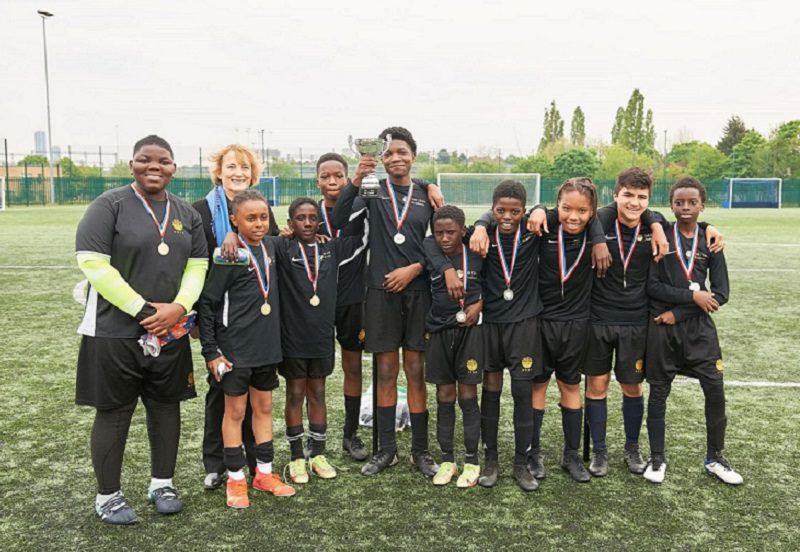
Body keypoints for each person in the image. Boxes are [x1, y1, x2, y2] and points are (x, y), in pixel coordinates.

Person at [75, 135, 208, 524]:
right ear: (131, 164)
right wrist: (144, 309)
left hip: (170, 332)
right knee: (115, 412)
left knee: (166, 408)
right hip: (113, 331)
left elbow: (198, 265)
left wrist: (179, 308)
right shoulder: (109, 205)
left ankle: (162, 484)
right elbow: (93, 263)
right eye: (145, 159)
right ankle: (108, 496)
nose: (154, 166)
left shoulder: (187, 213)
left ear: (173, 168)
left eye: (163, 161)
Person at [581, 168, 725, 477]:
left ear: (649, 200)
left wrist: (702, 226)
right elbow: (585, 215)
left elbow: (680, 221)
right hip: (599, 319)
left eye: (641, 197)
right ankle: (600, 452)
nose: (634, 202)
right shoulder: (601, 221)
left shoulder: (653, 225)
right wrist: (598, 240)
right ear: (615, 195)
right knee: (597, 386)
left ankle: (632, 449)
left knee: (632, 387)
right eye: (627, 195)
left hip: (637, 320)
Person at [331, 126, 444, 477]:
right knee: (385, 371)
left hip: (418, 291)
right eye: (389, 153)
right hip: (380, 293)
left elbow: (440, 244)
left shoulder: (426, 194)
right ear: (380, 157)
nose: (396, 158)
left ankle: (421, 451)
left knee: (415, 370)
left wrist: (415, 268)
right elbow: (338, 221)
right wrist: (354, 180)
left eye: (402, 152)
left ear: (413, 156)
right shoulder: (371, 190)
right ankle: (386, 450)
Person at [197, 189, 296, 508]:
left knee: (264, 409)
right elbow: (208, 305)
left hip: (267, 348)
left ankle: (263, 473)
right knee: (235, 413)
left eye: (263, 217)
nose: (258, 224)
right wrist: (211, 351)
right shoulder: (228, 255)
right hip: (234, 351)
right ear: (234, 220)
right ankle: (235, 478)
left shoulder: (272, 246)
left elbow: (297, 236)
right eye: (250, 218)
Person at [643, 177, 742, 485]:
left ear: (703, 205)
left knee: (715, 390)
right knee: (658, 393)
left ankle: (715, 457)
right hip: (663, 332)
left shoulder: (711, 242)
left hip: (698, 331)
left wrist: (680, 311)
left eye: (692, 202)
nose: (685, 208)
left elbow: (721, 294)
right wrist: (692, 296)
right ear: (671, 205)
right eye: (679, 202)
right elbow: (652, 286)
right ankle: (657, 458)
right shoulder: (661, 235)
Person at [193, 144, 279, 490]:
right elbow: (196, 260)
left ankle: (257, 465)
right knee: (223, 397)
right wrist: (203, 327)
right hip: (220, 316)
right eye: (231, 166)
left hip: (255, 321)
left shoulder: (260, 208)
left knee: (255, 402)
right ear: (219, 172)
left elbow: (271, 246)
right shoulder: (201, 210)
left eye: (244, 167)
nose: (238, 172)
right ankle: (219, 466)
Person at [271, 197, 364, 483]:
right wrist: (275, 235)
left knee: (318, 393)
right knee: (295, 393)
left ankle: (318, 453)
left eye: (313, 218)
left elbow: (364, 237)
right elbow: (254, 239)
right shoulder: (282, 247)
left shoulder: (330, 248)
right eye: (301, 218)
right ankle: (296, 456)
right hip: (292, 338)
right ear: (290, 223)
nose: (308, 223)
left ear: (320, 222)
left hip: (322, 337)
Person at [527, 178, 605, 484]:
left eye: (582, 211)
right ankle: (533, 452)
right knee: (538, 386)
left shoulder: (595, 234)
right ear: (556, 206)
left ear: (592, 212)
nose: (573, 216)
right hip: (541, 322)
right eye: (566, 208)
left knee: (570, 386)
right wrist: (538, 209)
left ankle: (571, 454)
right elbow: (511, 215)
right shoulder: (544, 227)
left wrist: (598, 237)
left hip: (576, 324)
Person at [422, 206, 485, 487]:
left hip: (470, 332)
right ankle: (447, 459)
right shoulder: (431, 250)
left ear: (463, 231)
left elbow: (491, 283)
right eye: (439, 233)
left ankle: (472, 461)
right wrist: (447, 270)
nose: (445, 238)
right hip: (439, 331)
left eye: (451, 232)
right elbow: (427, 242)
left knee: (468, 394)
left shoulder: (477, 252)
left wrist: (480, 304)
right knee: (444, 394)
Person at [315, 153, 370, 461]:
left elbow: (359, 244)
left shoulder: (362, 206)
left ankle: (350, 434)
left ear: (348, 178)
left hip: (352, 297)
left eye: (338, 175)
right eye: (325, 176)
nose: (332, 181)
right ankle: (316, 437)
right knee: (316, 371)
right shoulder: (310, 212)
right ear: (317, 181)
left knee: (352, 366)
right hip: (317, 301)